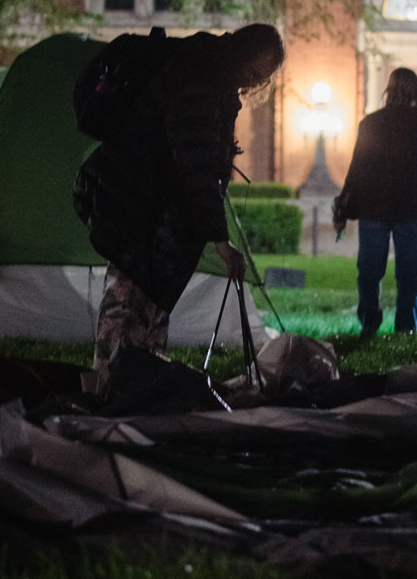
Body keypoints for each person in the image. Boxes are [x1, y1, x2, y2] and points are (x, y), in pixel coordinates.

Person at [73, 23, 285, 391]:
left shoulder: (211, 74)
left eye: (260, 79)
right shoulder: (202, 74)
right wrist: (220, 238)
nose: (252, 83)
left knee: (150, 307)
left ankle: (137, 389)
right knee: (126, 304)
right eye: (253, 72)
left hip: (153, 211)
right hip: (137, 205)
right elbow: (193, 155)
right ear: (242, 51)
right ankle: (110, 392)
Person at [332, 67, 417, 336]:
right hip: (411, 209)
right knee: (411, 274)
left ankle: (369, 319)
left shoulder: (370, 124)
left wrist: (343, 205)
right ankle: (405, 328)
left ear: (389, 90)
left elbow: (356, 170)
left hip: (374, 209)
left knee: (369, 270)